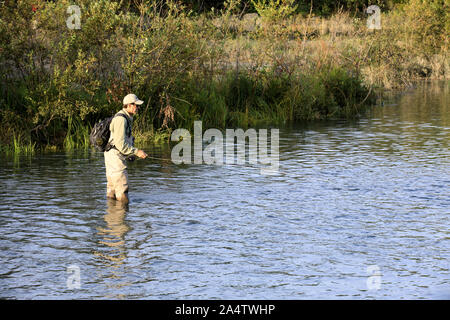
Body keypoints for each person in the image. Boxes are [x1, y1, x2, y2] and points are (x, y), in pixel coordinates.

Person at [104, 93, 148, 203]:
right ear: (128, 105)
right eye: (136, 105)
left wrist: (130, 153)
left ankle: (112, 217)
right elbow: (120, 145)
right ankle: (122, 218)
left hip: (113, 156)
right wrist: (136, 152)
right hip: (115, 157)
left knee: (112, 191)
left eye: (138, 106)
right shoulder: (121, 120)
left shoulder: (126, 118)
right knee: (122, 191)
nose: (137, 108)